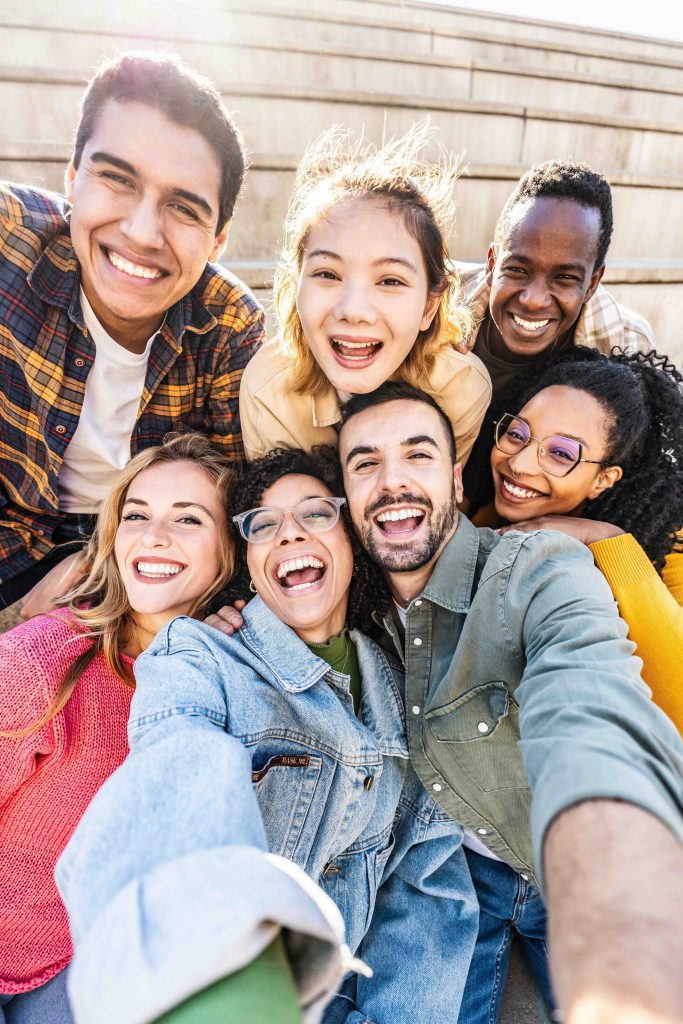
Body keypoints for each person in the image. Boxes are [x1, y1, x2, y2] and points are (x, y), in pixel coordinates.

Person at [57, 448, 479, 1024]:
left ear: (353, 545)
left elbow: (425, 893)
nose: (289, 534)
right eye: (263, 524)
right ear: (250, 566)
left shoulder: (405, 694)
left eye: (315, 514)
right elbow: (178, 758)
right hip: (224, 979)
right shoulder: (200, 654)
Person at [335, 381, 682, 1024]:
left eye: (417, 455)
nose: (392, 480)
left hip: (569, 868)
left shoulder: (538, 564)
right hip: (461, 882)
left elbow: (589, 700)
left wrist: (617, 891)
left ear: (456, 481)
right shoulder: (351, 613)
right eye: (365, 464)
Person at [0, 51, 264, 614]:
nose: (142, 233)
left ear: (218, 241)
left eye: (184, 208)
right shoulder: (8, 241)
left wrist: (102, 562)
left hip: (144, 557)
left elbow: (237, 508)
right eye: (117, 179)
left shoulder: (231, 328)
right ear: (73, 180)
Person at [0, 433, 240, 1023]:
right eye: (136, 515)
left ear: (229, 550)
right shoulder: (45, 658)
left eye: (188, 518)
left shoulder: (232, 681)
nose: (153, 535)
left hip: (88, 964)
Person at [239, 124, 491, 467]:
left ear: (429, 308)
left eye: (390, 281)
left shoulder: (461, 389)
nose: (354, 310)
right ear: (296, 286)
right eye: (327, 274)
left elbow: (436, 497)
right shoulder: (269, 389)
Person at [471, 346, 683, 731]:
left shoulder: (671, 548)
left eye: (560, 453)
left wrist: (606, 538)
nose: (518, 463)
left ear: (604, 479)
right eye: (517, 434)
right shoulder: (483, 517)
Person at [455, 159, 654, 402]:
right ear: (492, 263)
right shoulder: (434, 296)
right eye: (518, 270)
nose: (534, 300)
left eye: (565, 278)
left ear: (592, 284)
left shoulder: (628, 343)